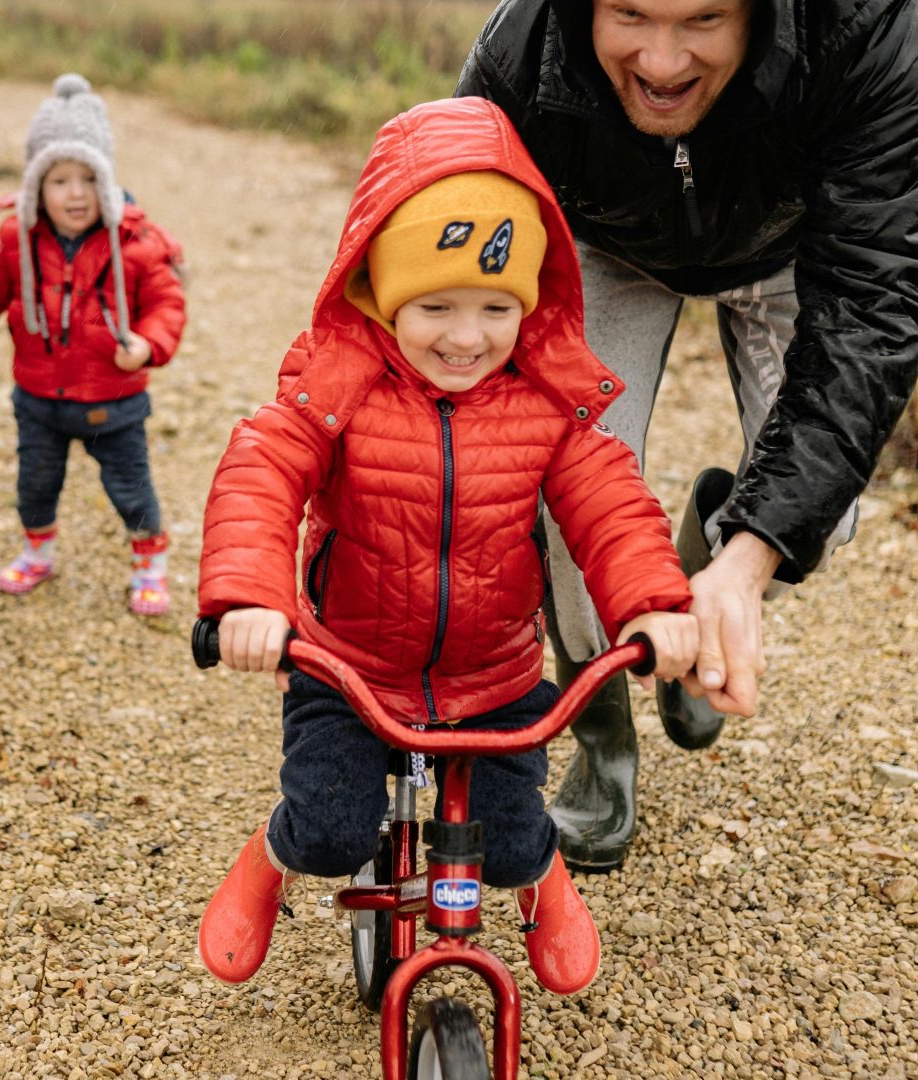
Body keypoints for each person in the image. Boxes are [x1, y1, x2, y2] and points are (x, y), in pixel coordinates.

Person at [193, 97, 699, 995]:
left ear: (530, 299)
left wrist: (654, 602)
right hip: (347, 664)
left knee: (509, 840)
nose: (467, 338)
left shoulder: (546, 403)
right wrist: (250, 598)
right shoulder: (338, 384)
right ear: (382, 293)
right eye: (434, 305)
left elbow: (610, 501)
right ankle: (270, 861)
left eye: (496, 307)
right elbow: (263, 470)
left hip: (493, 676)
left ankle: (542, 879)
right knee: (329, 826)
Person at [457, 0, 918, 870]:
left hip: (790, 245)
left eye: (701, 20)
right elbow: (453, 262)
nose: (660, 60)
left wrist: (749, 555)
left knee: (816, 518)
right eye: (630, 15)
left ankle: (703, 579)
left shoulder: (869, 27)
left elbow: (884, 294)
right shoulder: (521, 51)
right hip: (603, 241)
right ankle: (601, 733)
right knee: (564, 500)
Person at [0, 75, 187, 616]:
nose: (77, 192)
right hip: (38, 396)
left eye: (89, 177)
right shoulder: (20, 240)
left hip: (114, 398)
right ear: (37, 185)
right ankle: (37, 550)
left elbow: (168, 304)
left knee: (130, 487)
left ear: (108, 181)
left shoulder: (134, 243)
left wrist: (148, 343)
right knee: (35, 483)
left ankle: (150, 561)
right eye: (60, 179)